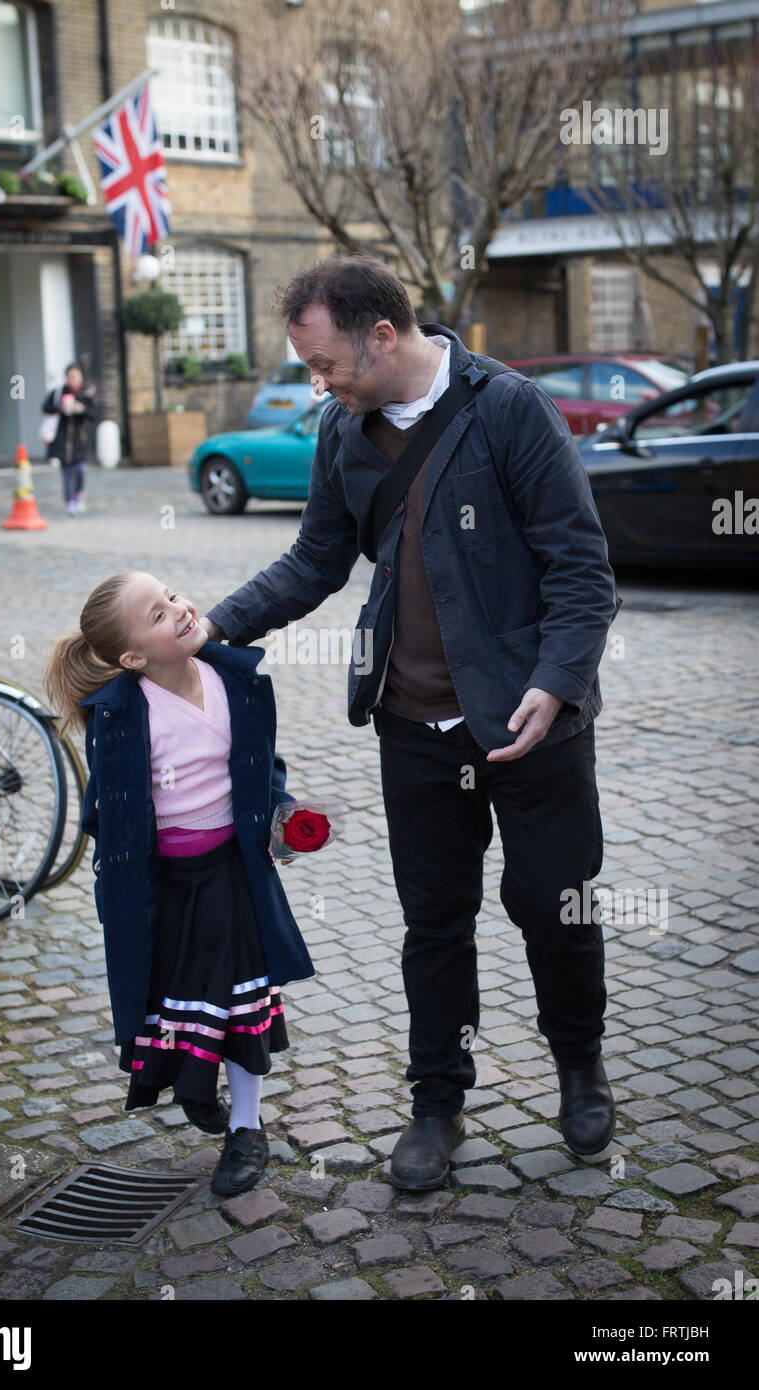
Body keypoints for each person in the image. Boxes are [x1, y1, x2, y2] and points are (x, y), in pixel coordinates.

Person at [198, 254, 622, 1192]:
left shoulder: (506, 408)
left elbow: (581, 568)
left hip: (529, 721)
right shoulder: (341, 431)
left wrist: (555, 684)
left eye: (325, 364)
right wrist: (212, 625)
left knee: (555, 904)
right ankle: (436, 1103)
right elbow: (314, 560)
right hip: (410, 721)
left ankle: (579, 1065)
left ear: (381, 336)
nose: (319, 383)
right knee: (433, 922)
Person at [43, 570, 314, 1196]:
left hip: (234, 875)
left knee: (243, 996)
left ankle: (246, 1127)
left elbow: (262, 765)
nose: (179, 609)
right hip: (164, 886)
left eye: (171, 596)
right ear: (134, 656)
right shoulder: (122, 714)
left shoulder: (233, 680)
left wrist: (286, 814)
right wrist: (116, 888)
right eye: (159, 614)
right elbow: (105, 807)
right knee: (179, 999)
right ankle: (195, 1087)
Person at [41, 363, 96, 516]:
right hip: (62, 440)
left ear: (81, 377)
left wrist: (81, 409)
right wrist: (60, 407)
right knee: (66, 472)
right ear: (66, 378)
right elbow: (45, 408)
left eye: (76, 376)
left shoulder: (85, 394)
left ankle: (78, 495)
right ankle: (69, 501)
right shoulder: (58, 393)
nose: (73, 379)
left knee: (80, 469)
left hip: (79, 440)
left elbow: (93, 415)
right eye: (70, 376)